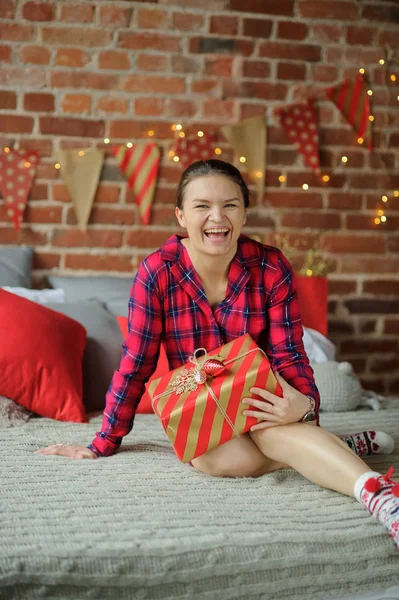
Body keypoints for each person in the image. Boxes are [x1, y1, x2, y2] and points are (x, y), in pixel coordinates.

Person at [34, 159, 399, 549]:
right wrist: (102, 443)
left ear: (244, 213)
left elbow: (289, 353)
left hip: (260, 396)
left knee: (268, 428)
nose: (216, 217)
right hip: (198, 403)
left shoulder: (271, 267)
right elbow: (135, 363)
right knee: (213, 459)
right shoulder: (156, 273)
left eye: (229, 205)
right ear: (180, 215)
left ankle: (381, 497)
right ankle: (333, 449)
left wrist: (305, 407)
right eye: (201, 205)